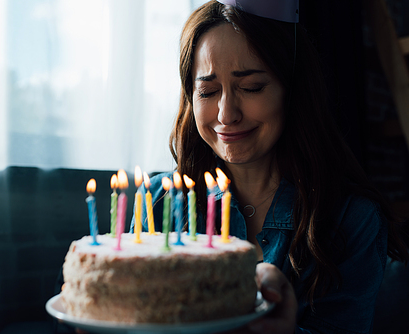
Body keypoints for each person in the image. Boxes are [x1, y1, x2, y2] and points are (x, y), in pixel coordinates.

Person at [131, 0, 409, 333]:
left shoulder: (353, 220)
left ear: (292, 90)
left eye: (251, 87)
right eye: (207, 91)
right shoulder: (157, 202)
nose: (225, 114)